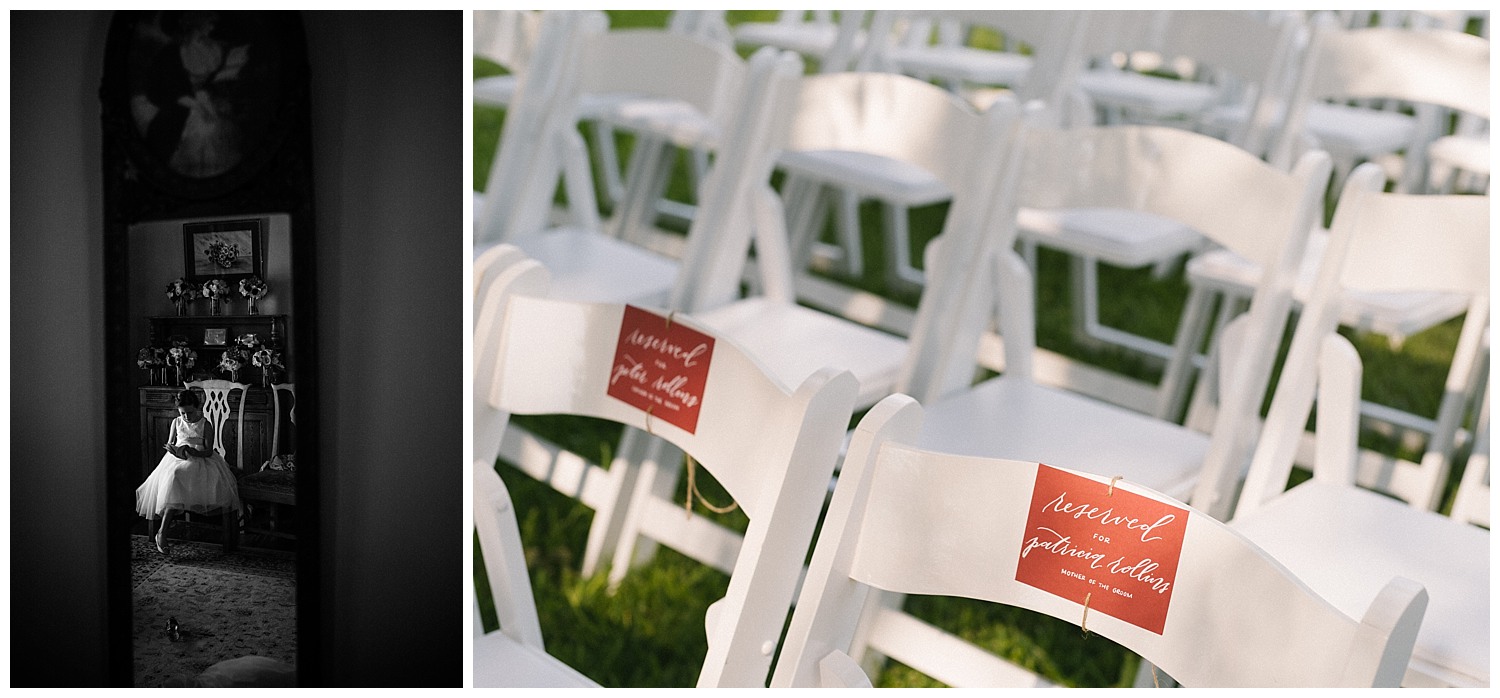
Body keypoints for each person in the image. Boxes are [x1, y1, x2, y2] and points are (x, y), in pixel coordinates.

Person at [136, 389, 244, 553]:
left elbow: (208, 451)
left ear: (197, 407)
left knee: (179, 474)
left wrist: (193, 452)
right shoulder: (176, 422)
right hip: (178, 460)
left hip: (201, 460)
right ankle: (162, 533)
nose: (186, 416)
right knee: (173, 474)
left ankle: (162, 532)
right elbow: (170, 443)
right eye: (183, 413)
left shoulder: (205, 424)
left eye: (190, 412)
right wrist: (173, 450)